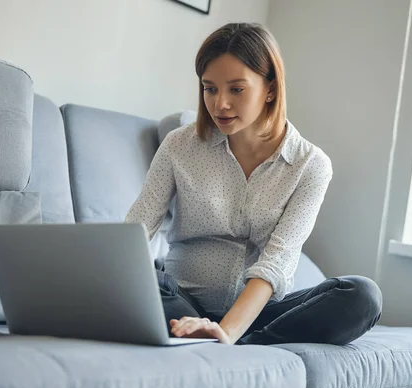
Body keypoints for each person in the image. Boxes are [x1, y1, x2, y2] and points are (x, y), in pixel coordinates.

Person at [125, 22, 382, 345]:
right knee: (141, 281)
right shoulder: (179, 145)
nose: (220, 104)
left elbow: (278, 260)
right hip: (180, 301)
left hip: (260, 314)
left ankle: (237, 341)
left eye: (236, 89)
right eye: (210, 88)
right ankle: (216, 335)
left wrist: (229, 330)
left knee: (361, 296)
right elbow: (135, 229)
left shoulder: (310, 166)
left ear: (270, 88)